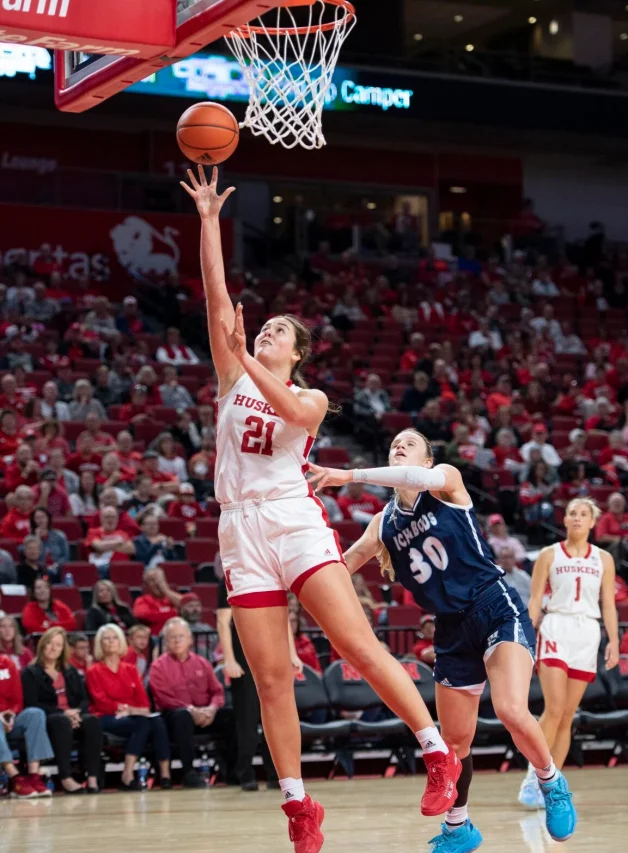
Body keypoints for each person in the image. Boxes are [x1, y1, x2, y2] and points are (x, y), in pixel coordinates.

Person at [182, 166, 463, 849]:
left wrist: (247, 356)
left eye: (279, 331)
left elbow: (281, 400)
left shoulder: (305, 400)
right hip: (239, 531)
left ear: (297, 354)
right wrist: (209, 220)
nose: (267, 331)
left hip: (293, 519)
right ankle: (300, 806)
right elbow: (218, 298)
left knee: (356, 644)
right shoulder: (232, 375)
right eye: (266, 327)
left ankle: (435, 752)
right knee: (272, 679)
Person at [309, 428, 577, 850]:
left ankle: (551, 781)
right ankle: (459, 827)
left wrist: (351, 474)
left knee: (509, 708)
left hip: (494, 606)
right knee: (454, 742)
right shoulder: (382, 523)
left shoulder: (447, 481)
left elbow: (420, 482)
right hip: (450, 626)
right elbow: (344, 564)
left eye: (409, 444)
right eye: (394, 443)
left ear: (427, 460)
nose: (399, 446)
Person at [521, 499, 619, 808]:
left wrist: (613, 640)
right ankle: (531, 776)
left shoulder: (603, 559)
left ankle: (552, 786)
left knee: (567, 716)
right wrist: (524, 635)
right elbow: (535, 601)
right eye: (573, 513)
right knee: (554, 708)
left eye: (584, 514)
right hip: (556, 627)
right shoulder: (549, 555)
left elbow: (609, 605)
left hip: (587, 633)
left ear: (592, 522)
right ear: (564, 520)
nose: (577, 518)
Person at [86, 624, 172, 790]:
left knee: (157, 722)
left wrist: (130, 710)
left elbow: (144, 703)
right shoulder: (94, 671)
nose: (111, 642)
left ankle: (165, 774)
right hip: (106, 716)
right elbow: (101, 702)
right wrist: (129, 709)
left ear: (121, 642)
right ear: (100, 643)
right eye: (106, 638)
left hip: (131, 715)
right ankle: (127, 773)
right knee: (143, 723)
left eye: (115, 638)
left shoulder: (131, 669)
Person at [216, 573, 278, 791]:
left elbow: (282, 618)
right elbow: (223, 622)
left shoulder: (270, 574)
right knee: (247, 720)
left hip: (270, 654)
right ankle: (245, 773)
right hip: (243, 658)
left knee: (275, 716)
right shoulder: (230, 577)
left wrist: (292, 654)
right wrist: (229, 659)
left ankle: (277, 774)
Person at [21, 627, 102, 793]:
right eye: (49, 643)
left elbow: (84, 699)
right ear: (42, 645)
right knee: (61, 721)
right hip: (49, 718)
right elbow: (32, 703)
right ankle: (65, 777)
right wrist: (63, 713)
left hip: (72, 715)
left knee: (92, 721)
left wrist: (77, 713)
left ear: (63, 649)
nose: (53, 648)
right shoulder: (30, 672)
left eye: (58, 645)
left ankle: (92, 777)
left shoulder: (70, 671)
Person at [149, 617, 226, 787]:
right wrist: (192, 710)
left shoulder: (203, 663)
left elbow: (217, 692)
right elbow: (164, 698)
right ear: (166, 641)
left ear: (190, 639)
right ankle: (188, 772)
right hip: (174, 714)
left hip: (206, 713)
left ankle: (232, 769)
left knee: (231, 715)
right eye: (172, 637)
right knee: (182, 716)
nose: (177, 640)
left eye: (181, 636)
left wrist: (212, 709)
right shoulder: (158, 666)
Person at [0, 653, 54, 798]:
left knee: (35, 714)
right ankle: (15, 778)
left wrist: (11, 714)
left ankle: (34, 775)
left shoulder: (7, 663)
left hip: (9, 718)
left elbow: (18, 698)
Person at [84, 506, 136, 578]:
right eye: (107, 517)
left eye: (113, 517)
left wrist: (107, 546)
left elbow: (131, 549)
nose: (110, 520)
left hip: (124, 568)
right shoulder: (93, 532)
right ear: (101, 519)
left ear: (117, 519)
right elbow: (99, 546)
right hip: (103, 568)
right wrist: (119, 543)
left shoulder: (122, 533)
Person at [132, 567, 182, 636]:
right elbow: (145, 616)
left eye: (160, 580)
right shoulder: (142, 600)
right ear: (146, 585)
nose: (157, 584)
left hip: (176, 636)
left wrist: (166, 591)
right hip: (154, 638)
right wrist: (173, 613)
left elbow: (186, 607)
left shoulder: (172, 598)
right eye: (152, 580)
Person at [179, 593, 216, 659]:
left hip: (206, 666)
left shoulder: (207, 629)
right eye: (190, 606)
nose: (195, 609)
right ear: (182, 609)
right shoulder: (174, 629)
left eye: (197, 605)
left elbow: (217, 651)